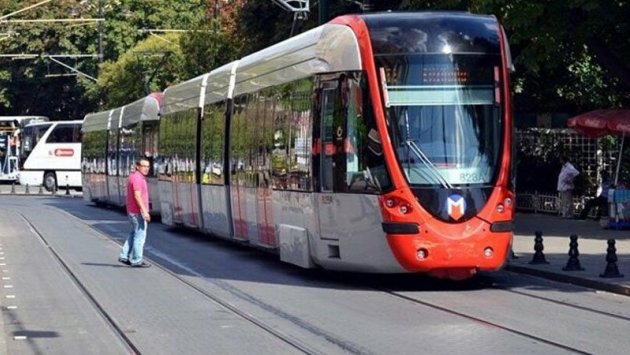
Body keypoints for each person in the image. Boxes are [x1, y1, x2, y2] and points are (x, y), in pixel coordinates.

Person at [118, 158, 152, 268]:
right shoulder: (137, 178)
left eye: (148, 166)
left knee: (134, 233)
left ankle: (124, 255)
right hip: (137, 212)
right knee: (139, 236)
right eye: (144, 166)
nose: (146, 168)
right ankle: (137, 260)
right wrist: (144, 211)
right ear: (138, 166)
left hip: (133, 211)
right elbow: (137, 196)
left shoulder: (135, 177)